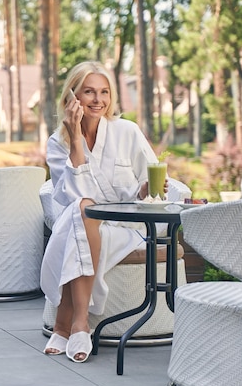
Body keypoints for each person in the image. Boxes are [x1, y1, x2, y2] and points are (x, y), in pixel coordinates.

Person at [40, 61, 166, 363]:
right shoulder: (58, 143)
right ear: (73, 97)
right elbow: (75, 195)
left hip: (126, 227)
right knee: (84, 211)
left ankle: (65, 322)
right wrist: (76, 141)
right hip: (80, 219)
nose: (98, 100)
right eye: (89, 92)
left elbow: (147, 182)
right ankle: (81, 322)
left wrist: (146, 188)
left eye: (104, 92)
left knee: (82, 224)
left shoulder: (127, 131)